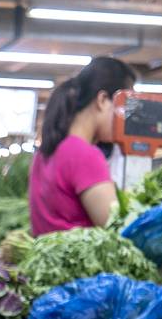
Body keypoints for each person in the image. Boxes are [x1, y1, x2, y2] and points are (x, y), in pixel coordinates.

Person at [28, 56, 135, 235]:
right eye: (125, 108)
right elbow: (118, 229)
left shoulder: (46, 151)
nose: (125, 119)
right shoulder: (84, 155)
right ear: (102, 100)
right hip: (79, 254)